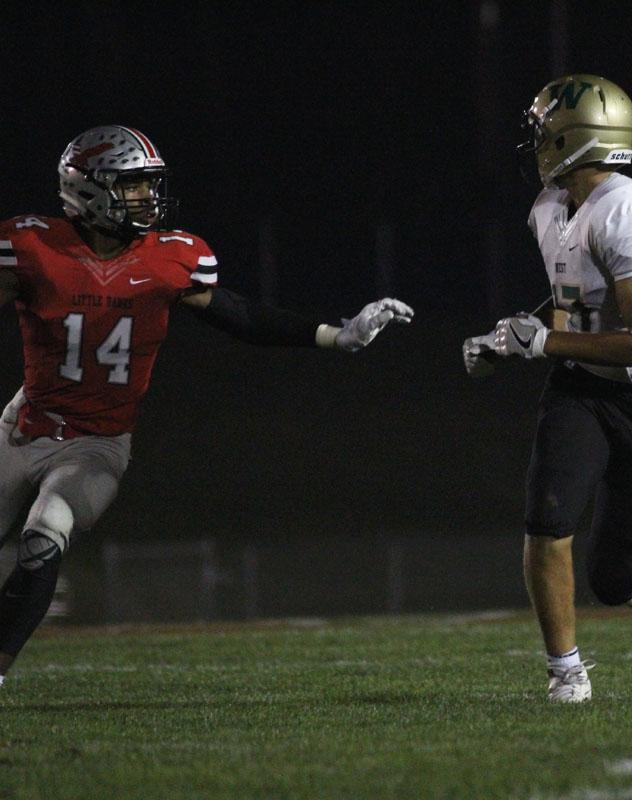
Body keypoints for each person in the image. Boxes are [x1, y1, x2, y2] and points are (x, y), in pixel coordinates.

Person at [0, 125, 414, 687]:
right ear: (89, 188)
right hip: (24, 428)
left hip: (98, 443)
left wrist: (336, 334)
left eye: (148, 185)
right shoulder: (33, 247)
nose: (148, 198)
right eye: (132, 186)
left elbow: (241, 316)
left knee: (46, 531)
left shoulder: (172, 257)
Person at [463, 75, 632, 702]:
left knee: (615, 583)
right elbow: (570, 304)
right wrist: (513, 336)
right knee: (547, 521)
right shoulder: (550, 207)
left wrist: (542, 343)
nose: (533, 141)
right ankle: (565, 672)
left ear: (573, 139)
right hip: (582, 389)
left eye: (543, 130)